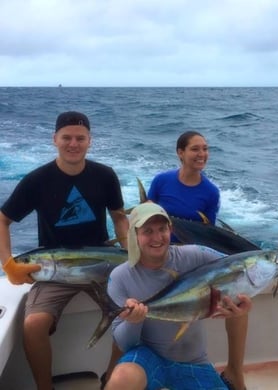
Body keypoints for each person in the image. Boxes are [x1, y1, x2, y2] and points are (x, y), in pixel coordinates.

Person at [0, 111, 129, 390]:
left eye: (80, 138)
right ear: (54, 140)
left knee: (131, 314)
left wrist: (132, 257)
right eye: (67, 138)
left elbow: (120, 217)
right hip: (54, 269)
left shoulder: (105, 176)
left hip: (102, 264)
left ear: (90, 141)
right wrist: (8, 263)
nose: (73, 144)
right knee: (34, 324)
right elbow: (2, 219)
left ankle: (111, 379)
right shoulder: (37, 180)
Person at [104, 202, 252, 390]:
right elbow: (125, 343)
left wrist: (243, 307)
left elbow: (234, 268)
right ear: (134, 234)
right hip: (147, 357)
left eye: (162, 229)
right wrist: (134, 321)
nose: (157, 237)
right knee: (123, 379)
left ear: (170, 229)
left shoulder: (196, 254)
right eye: (147, 231)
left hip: (194, 361)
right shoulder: (120, 276)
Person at [149, 130, 248, 390]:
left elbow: (209, 234)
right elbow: (147, 217)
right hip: (161, 256)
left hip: (193, 260)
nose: (201, 154)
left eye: (205, 148)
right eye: (195, 149)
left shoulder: (211, 192)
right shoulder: (162, 182)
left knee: (238, 303)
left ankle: (235, 370)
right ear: (180, 153)